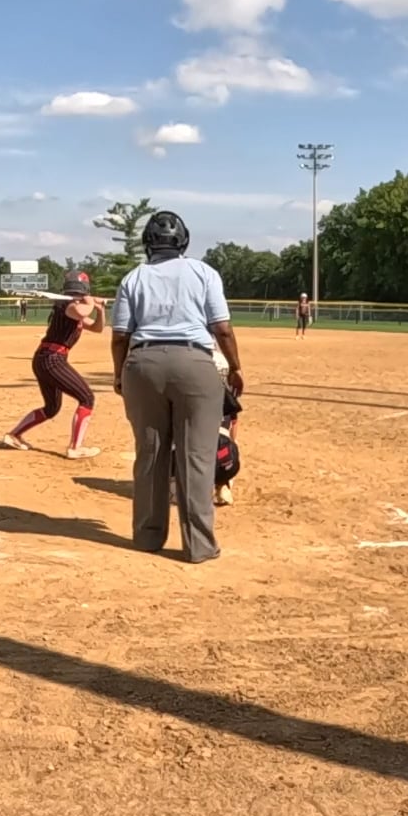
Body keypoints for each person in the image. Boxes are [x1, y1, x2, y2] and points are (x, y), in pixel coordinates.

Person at [111, 210, 242, 564]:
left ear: (148, 243)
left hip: (143, 364)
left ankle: (147, 536)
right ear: (183, 241)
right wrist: (235, 367)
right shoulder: (204, 272)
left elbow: (120, 336)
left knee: (150, 453)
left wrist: (119, 374)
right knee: (196, 457)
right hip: (194, 363)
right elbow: (222, 329)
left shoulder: (134, 278)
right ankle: (198, 545)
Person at [4, 271, 105, 460]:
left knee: (52, 408)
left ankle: (14, 435)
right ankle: (76, 448)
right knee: (87, 398)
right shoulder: (67, 305)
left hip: (47, 359)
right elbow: (81, 311)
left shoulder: (75, 306)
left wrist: (100, 310)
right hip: (52, 359)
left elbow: (97, 328)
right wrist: (91, 301)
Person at [213, 348, 242, 507]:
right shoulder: (227, 396)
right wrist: (233, 442)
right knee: (228, 447)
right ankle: (223, 485)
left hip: (194, 442)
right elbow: (234, 422)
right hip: (222, 446)